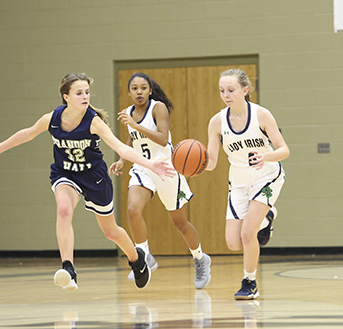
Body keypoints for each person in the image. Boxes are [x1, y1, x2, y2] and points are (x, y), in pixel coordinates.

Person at [0, 73, 176, 291]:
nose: (85, 96)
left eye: (87, 92)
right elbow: (27, 134)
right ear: (66, 96)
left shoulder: (94, 122)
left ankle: (137, 259)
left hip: (94, 177)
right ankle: (69, 269)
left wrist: (150, 164)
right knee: (63, 209)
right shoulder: (52, 118)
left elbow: (121, 148)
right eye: (79, 93)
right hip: (65, 173)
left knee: (110, 231)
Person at [108, 72, 211, 289]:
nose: (139, 92)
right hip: (143, 168)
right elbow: (132, 139)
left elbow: (163, 140)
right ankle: (145, 254)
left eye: (143, 87)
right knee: (132, 210)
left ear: (150, 90)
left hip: (167, 168)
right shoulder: (128, 113)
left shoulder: (158, 108)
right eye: (134, 88)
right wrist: (121, 160)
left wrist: (136, 126)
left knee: (180, 223)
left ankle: (200, 258)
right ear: (129, 92)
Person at [204, 69, 289, 300]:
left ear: (245, 90)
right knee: (233, 242)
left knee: (248, 233)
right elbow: (211, 163)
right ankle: (267, 216)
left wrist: (265, 156)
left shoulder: (261, 115)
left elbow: (284, 150)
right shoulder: (217, 122)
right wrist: (189, 165)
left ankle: (249, 282)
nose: (226, 95)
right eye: (222, 90)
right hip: (239, 181)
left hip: (266, 175)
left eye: (230, 90)